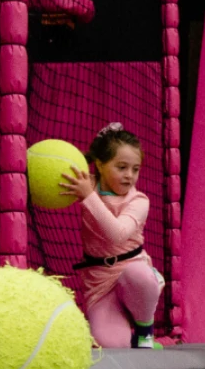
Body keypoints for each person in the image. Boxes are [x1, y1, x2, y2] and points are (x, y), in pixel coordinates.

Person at [60, 122, 164, 349]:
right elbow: (58, 177)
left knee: (139, 275)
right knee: (111, 346)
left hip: (135, 276)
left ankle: (145, 331)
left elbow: (117, 235)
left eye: (135, 169)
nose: (130, 176)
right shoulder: (89, 185)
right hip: (100, 283)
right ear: (100, 164)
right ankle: (125, 331)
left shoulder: (139, 201)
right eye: (122, 167)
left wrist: (88, 197)